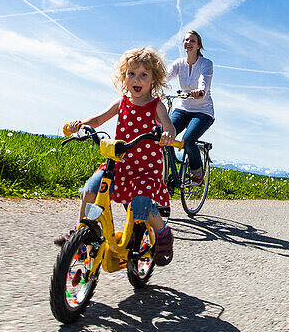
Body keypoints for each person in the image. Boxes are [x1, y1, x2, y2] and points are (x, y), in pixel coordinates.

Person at [57, 47, 177, 265]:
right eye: (131, 73)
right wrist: (80, 125)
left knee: (141, 205)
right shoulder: (121, 103)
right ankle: (81, 233)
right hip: (119, 165)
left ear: (153, 80)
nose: (136, 79)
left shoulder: (156, 105)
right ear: (124, 77)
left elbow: (168, 125)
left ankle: (163, 234)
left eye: (143, 74)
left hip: (145, 170)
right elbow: (97, 120)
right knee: (91, 189)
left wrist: (168, 133)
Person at [165, 30, 214, 187]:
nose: (188, 43)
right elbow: (166, 75)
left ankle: (197, 173)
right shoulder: (179, 63)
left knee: (187, 140)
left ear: (198, 45)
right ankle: (167, 171)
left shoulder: (206, 64)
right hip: (183, 108)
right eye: (186, 40)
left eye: (192, 41)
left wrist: (200, 92)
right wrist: (152, 84)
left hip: (202, 111)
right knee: (164, 135)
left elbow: (203, 81)